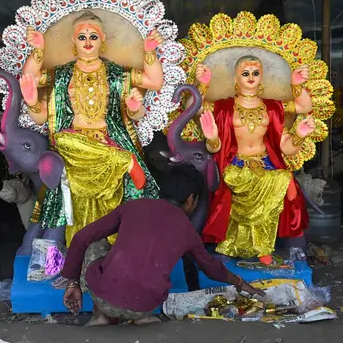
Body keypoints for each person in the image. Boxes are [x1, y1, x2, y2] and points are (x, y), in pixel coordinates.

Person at [19, 11, 165, 246]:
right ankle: (124, 161)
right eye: (82, 36)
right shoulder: (61, 75)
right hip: (75, 150)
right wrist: (38, 52)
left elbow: (155, 82)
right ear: (74, 41)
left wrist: (149, 53)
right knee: (64, 140)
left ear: (103, 39)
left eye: (93, 36)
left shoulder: (118, 73)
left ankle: (113, 247)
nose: (88, 42)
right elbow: (30, 85)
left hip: (108, 141)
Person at [61, 164, 265, 326]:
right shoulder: (187, 230)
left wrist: (72, 283)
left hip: (104, 297)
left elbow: (80, 238)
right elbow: (210, 267)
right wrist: (240, 282)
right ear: (191, 199)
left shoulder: (133, 206)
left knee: (96, 241)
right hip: (145, 305)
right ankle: (142, 319)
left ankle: (100, 317)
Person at [196, 56, 314, 263]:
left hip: (265, 163)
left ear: (262, 77)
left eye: (255, 73)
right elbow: (194, 108)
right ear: (236, 77)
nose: (251, 77)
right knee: (237, 188)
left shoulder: (272, 107)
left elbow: (303, 109)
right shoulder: (223, 107)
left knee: (282, 181)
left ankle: (263, 246)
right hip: (235, 164)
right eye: (245, 73)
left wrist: (296, 86)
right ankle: (231, 245)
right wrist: (202, 86)